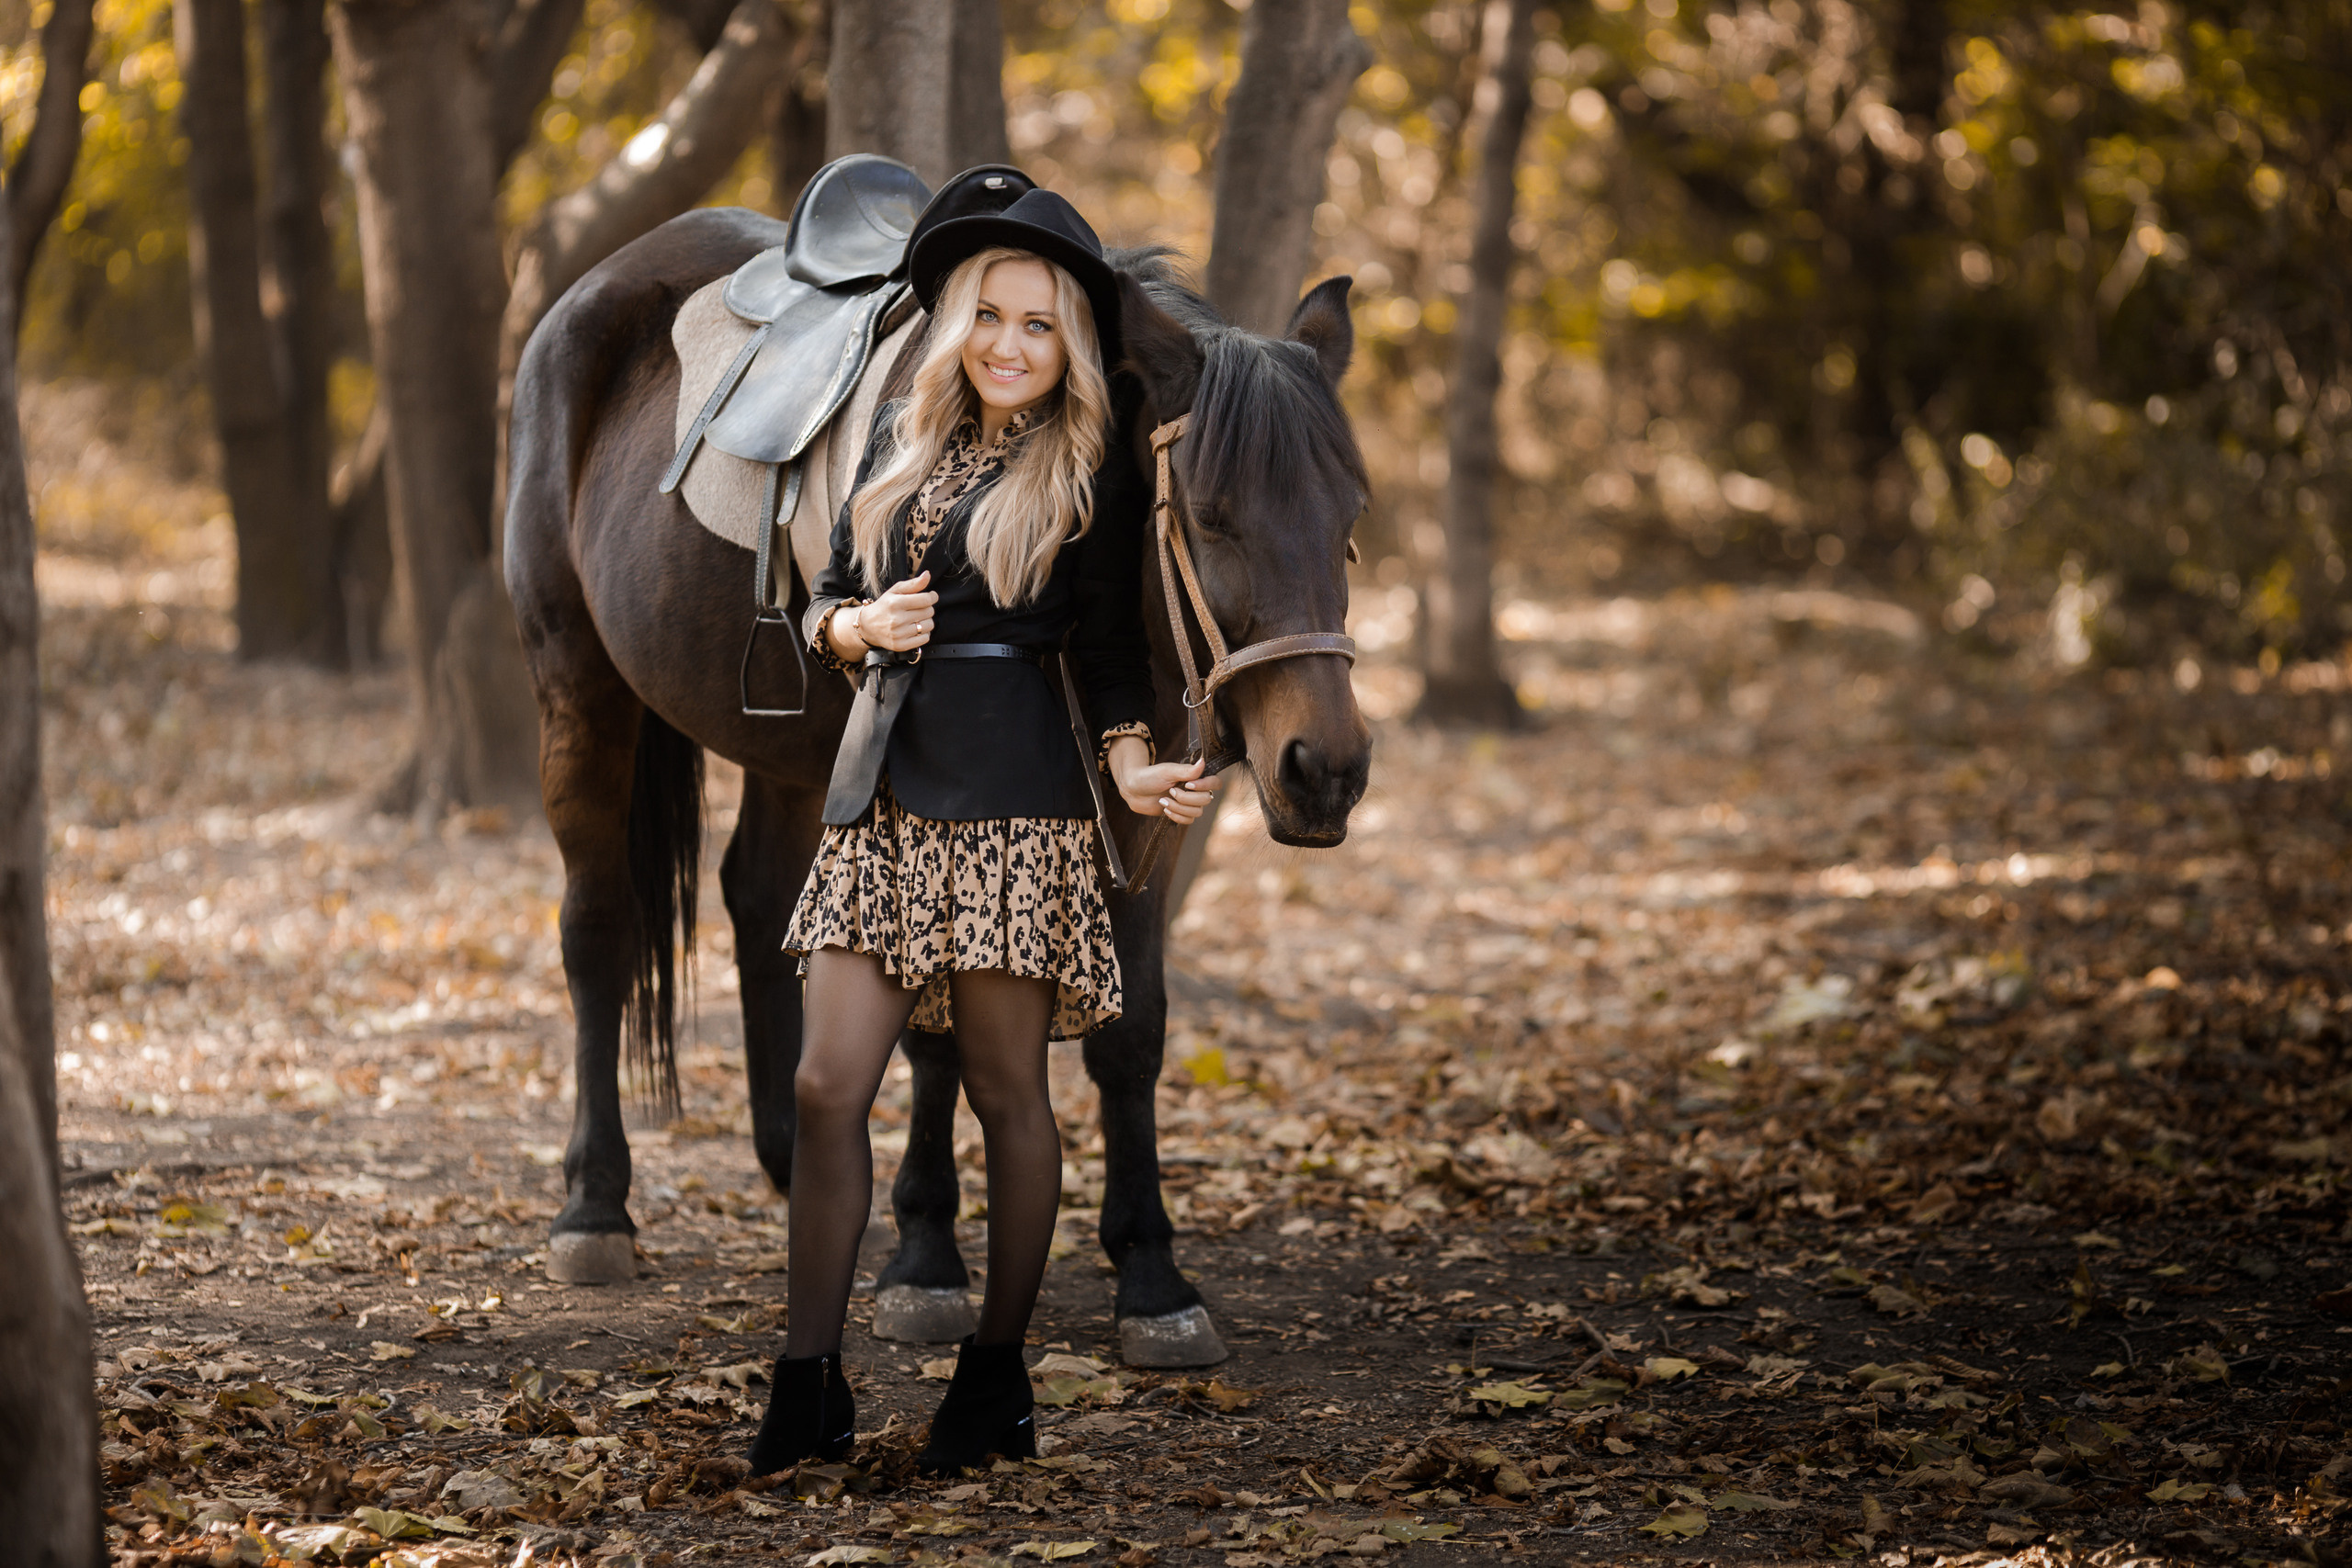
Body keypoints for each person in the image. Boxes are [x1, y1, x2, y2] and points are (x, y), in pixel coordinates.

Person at [747, 187, 1215, 1478]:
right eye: (992, 318)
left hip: (1017, 813)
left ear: (1071, 347)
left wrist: (1129, 771)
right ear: (958, 324)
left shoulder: (1087, 470)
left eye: (1041, 327)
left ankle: (997, 1374)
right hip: (880, 804)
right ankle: (807, 1382)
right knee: (824, 1085)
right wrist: (854, 631)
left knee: (1012, 1092)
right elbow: (827, 604)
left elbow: (1113, 655)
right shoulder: (899, 444)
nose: (1010, 345)